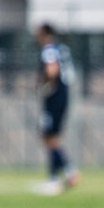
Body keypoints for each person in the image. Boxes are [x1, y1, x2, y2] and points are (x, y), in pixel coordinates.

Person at [33, 23, 79, 195]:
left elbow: (52, 70)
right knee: (51, 137)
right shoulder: (63, 48)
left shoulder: (50, 49)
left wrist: (44, 84)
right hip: (65, 94)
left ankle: (63, 174)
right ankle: (62, 174)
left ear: (45, 33)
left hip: (54, 95)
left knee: (48, 136)